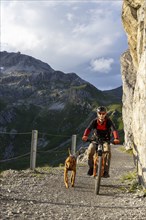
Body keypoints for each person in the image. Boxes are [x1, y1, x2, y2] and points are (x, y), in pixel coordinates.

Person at [82, 106, 120, 177]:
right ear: (97, 113)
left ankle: (106, 171)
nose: (101, 115)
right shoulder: (94, 121)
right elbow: (88, 128)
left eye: (103, 113)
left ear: (105, 114)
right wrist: (85, 135)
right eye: (100, 113)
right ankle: (91, 167)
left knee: (107, 152)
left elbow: (113, 129)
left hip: (106, 140)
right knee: (90, 150)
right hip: (95, 139)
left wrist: (116, 138)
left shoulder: (108, 121)